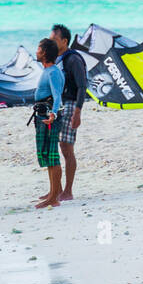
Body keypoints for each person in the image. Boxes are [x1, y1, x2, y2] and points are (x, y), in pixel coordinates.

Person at [50, 24, 87, 200]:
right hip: (58, 106)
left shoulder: (73, 59)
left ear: (64, 41)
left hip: (71, 104)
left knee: (67, 148)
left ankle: (68, 191)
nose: (51, 42)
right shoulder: (56, 59)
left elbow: (82, 86)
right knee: (54, 147)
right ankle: (55, 189)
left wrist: (78, 111)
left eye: (54, 40)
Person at [32, 38, 65, 208]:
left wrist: (53, 114)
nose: (36, 51)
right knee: (47, 155)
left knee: (53, 156)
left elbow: (57, 95)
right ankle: (53, 193)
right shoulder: (47, 70)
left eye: (38, 49)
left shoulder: (53, 72)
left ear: (44, 52)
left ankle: (54, 197)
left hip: (49, 117)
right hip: (43, 115)